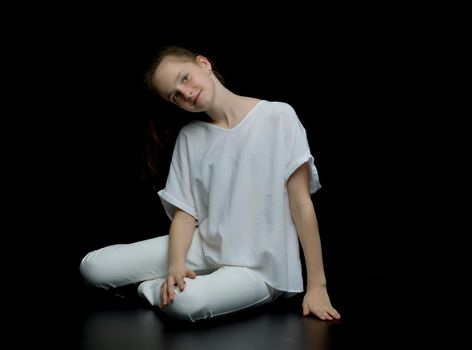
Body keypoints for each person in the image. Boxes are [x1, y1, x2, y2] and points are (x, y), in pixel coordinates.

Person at [79, 46, 341, 322]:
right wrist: (176, 266)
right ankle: (177, 280)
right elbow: (185, 213)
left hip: (260, 268)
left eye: (185, 78)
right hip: (204, 247)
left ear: (203, 63)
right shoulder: (191, 137)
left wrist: (317, 287)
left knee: (185, 301)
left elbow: (301, 204)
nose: (187, 93)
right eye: (175, 96)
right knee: (92, 268)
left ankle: (153, 289)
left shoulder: (278, 117)